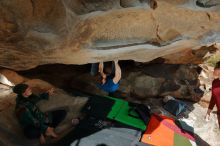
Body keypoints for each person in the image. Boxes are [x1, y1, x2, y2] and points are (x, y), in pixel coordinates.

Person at [205, 62, 220, 129]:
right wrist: (208, 113)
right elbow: (213, 98)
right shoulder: (215, 82)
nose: (213, 70)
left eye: (215, 68)